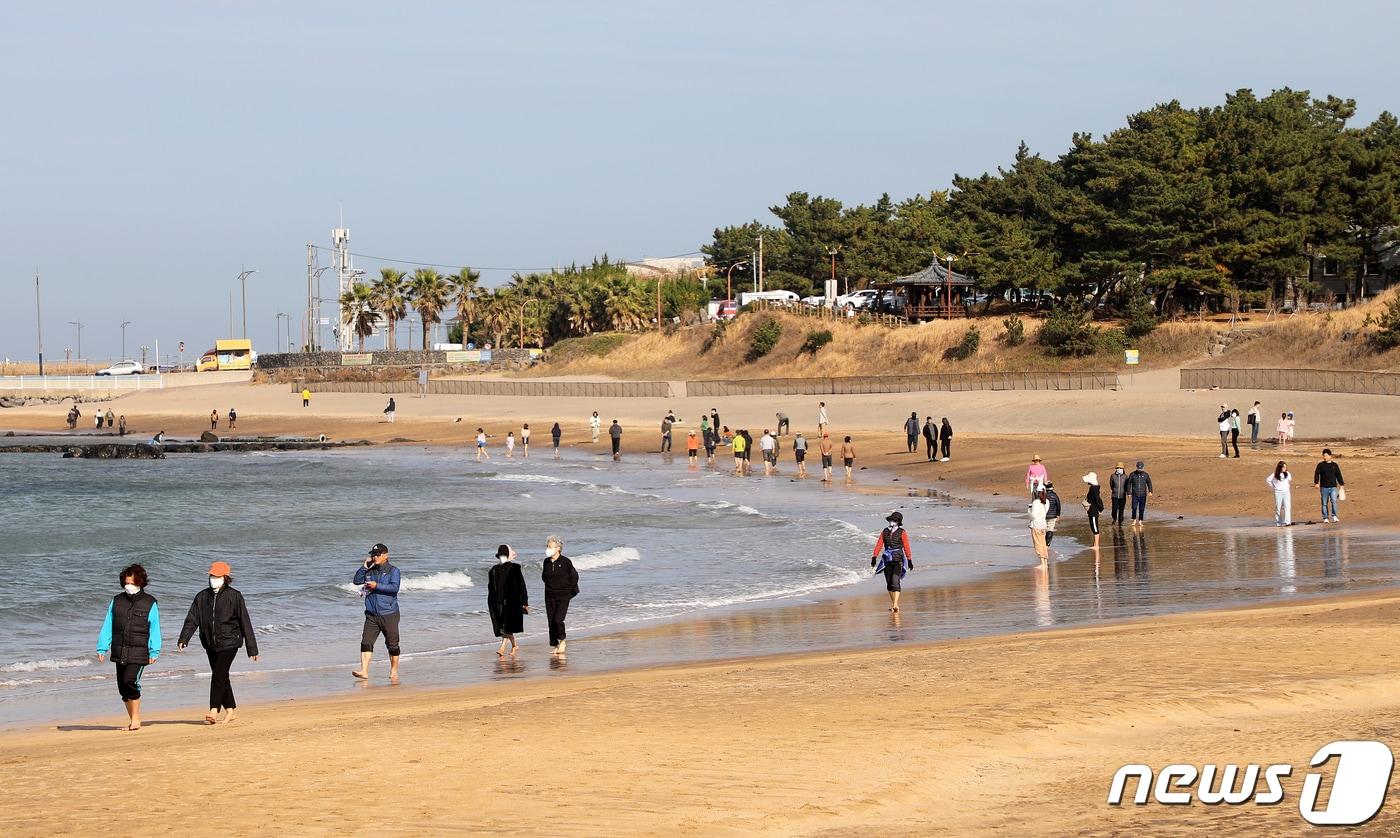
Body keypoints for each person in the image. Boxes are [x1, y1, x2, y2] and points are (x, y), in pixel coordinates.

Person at [177, 561, 259, 725]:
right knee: (222, 676)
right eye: (212, 575)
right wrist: (184, 638)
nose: (213, 578)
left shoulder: (234, 596)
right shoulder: (201, 597)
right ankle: (231, 710)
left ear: (225, 578)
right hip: (210, 643)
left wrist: (252, 648)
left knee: (218, 675)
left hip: (230, 642)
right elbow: (192, 619)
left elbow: (245, 622)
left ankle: (213, 710)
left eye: (217, 576)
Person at [96, 563, 161, 731]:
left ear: (140, 582)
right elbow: (108, 624)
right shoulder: (117, 601)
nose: (128, 586)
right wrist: (102, 647)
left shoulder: (150, 603)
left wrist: (155, 650)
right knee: (123, 688)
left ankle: (136, 719)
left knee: (130, 681)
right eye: (126, 583)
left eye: (132, 583)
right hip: (120, 648)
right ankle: (132, 719)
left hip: (139, 651)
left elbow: (155, 628)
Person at [352, 543, 401, 682]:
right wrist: (364, 567)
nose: (375, 557)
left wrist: (377, 586)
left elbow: (394, 588)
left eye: (378, 554)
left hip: (389, 613)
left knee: (392, 644)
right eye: (373, 554)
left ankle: (393, 671)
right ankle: (364, 671)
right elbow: (356, 581)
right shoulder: (369, 570)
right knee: (366, 642)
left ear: (386, 555)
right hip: (371, 614)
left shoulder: (393, 571)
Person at [487, 545, 529, 657]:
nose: (502, 557)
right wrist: (491, 603)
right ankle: (515, 645)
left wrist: (525, 602)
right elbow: (491, 588)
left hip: (512, 602)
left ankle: (502, 647)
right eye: (500, 555)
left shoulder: (515, 568)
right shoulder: (494, 570)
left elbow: (522, 585)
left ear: (508, 555)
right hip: (497, 603)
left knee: (506, 626)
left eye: (504, 555)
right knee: (503, 626)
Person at [541, 535, 578, 656]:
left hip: (563, 595)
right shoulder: (546, 562)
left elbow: (574, 577)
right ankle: (555, 644)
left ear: (558, 548)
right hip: (549, 594)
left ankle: (562, 640)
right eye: (547, 546)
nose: (548, 548)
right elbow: (544, 577)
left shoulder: (566, 561)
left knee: (558, 619)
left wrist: (569, 591)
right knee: (551, 620)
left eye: (550, 546)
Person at [871, 511, 913, 613]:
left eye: (893, 520)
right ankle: (895, 604)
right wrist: (874, 557)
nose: (891, 522)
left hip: (898, 559)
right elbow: (879, 544)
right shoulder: (884, 531)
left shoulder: (902, 532)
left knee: (895, 581)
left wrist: (909, 560)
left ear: (898, 522)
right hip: (887, 560)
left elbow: (906, 546)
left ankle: (895, 604)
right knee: (889, 584)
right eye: (891, 520)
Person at [1313, 448, 1345, 523]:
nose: (1325, 457)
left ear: (1330, 456)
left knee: (1334, 501)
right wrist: (1316, 483)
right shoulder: (1320, 465)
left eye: (1326, 456)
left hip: (1333, 487)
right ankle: (1325, 517)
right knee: (1324, 503)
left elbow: (1338, 475)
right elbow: (1316, 474)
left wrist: (1341, 484)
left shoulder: (1335, 465)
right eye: (1324, 456)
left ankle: (1334, 516)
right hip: (1324, 487)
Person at [1125, 460, 1154, 527]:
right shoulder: (1132, 474)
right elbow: (1129, 484)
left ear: (1143, 468)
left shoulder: (1146, 474)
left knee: (1141, 508)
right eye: (1138, 468)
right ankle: (1134, 519)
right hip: (1134, 494)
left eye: (1141, 468)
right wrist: (1129, 493)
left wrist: (1150, 491)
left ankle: (1140, 521)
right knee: (1134, 507)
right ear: (1136, 467)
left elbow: (1149, 483)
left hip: (1143, 495)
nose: (1140, 469)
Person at [1266, 461, 1293, 527]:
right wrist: (1273, 486)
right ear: (1280, 467)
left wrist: (1286, 485)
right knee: (1278, 507)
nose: (1285, 468)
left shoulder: (1287, 473)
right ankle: (1279, 522)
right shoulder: (1275, 474)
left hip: (1286, 492)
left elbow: (1290, 479)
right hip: (1278, 492)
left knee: (1287, 506)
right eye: (1283, 467)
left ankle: (1287, 522)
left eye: (1285, 467)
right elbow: (1268, 480)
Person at [1028, 489, 1050, 564]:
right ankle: (1045, 562)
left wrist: (1029, 510)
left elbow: (1033, 516)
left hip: (1036, 525)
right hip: (1043, 524)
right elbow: (1045, 512)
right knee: (1043, 543)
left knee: (1038, 544)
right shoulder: (1046, 501)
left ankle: (1042, 563)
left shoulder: (1036, 502)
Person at [1082, 472, 1104, 548]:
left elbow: (1098, 500)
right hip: (1092, 510)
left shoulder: (1093, 488)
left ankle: (1096, 545)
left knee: (1094, 526)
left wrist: (1100, 509)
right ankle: (1095, 544)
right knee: (1093, 525)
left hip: (1093, 511)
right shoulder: (1093, 488)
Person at [1043, 482, 1062, 548]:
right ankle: (1047, 545)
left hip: (1044, 515)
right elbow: (1058, 506)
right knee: (1050, 529)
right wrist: (1058, 515)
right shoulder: (1055, 496)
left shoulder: (1043, 496)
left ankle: (1043, 543)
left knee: (1044, 529)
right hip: (1053, 515)